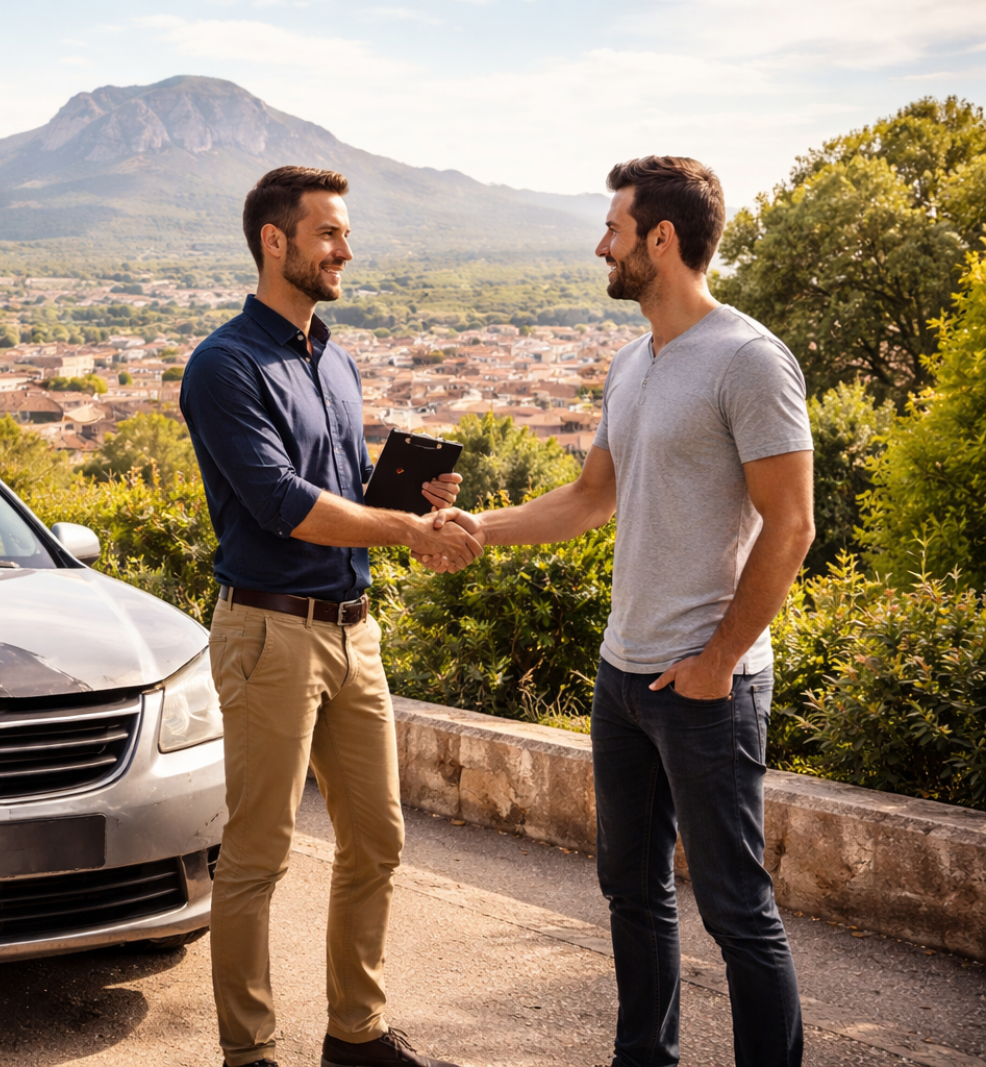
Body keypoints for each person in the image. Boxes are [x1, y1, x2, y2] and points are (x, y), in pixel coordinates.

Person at [446, 156, 813, 1067]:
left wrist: (722, 659)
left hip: (706, 687)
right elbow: (586, 499)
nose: (599, 244)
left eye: (613, 226)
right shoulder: (631, 361)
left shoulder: (749, 358)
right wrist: (474, 528)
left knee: (735, 908)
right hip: (623, 676)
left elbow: (793, 524)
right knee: (631, 893)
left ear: (662, 237)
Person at [180, 165, 479, 1067]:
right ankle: (250, 1050)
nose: (346, 250)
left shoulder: (336, 360)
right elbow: (281, 501)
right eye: (330, 235)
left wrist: (410, 496)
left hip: (356, 629)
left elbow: (340, 489)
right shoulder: (224, 365)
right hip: (268, 630)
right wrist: (410, 529)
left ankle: (356, 1034)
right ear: (276, 242)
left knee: (379, 840)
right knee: (259, 855)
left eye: (345, 235)